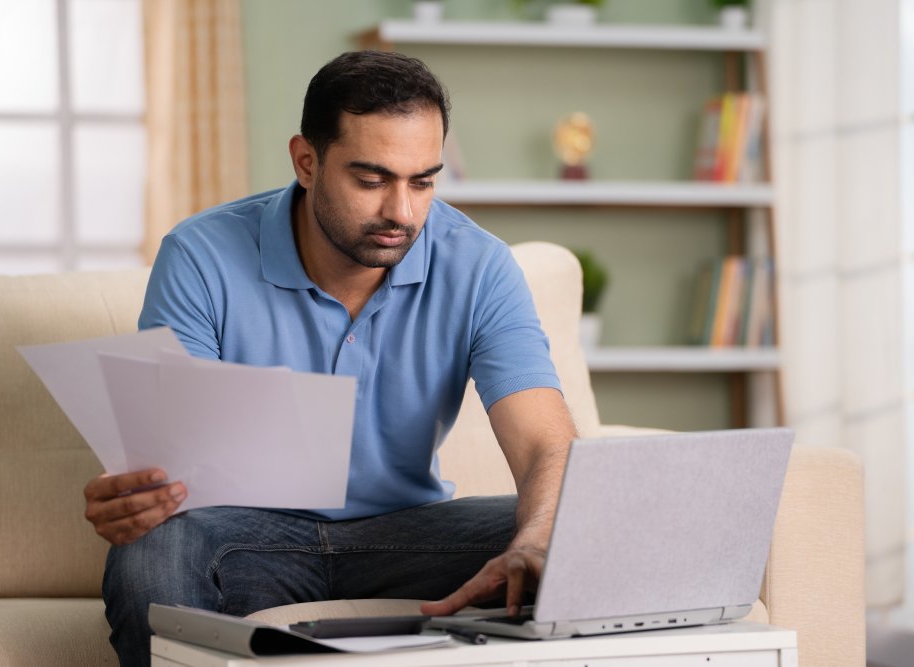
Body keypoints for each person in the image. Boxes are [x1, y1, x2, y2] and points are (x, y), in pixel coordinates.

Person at [84, 50, 577, 666]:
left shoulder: (479, 265)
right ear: (307, 161)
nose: (401, 211)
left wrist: (538, 538)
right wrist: (136, 496)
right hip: (246, 537)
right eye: (372, 180)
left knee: (584, 532)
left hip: (408, 533)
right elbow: (169, 457)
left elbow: (544, 445)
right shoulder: (201, 255)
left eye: (422, 181)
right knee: (155, 551)